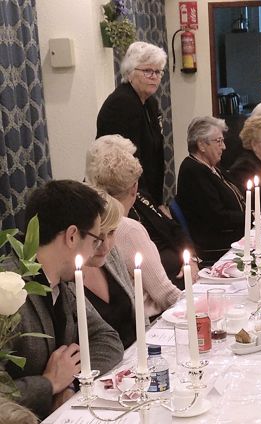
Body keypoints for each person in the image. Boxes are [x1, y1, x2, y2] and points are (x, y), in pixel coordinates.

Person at [7, 180, 123, 419]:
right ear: (72, 236)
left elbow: (108, 339)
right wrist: (48, 384)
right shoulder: (6, 289)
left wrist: (71, 383)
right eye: (94, 241)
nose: (95, 251)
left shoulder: (63, 282)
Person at [86, 135, 186, 315]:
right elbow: (166, 295)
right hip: (151, 320)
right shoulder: (127, 228)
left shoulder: (90, 221)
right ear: (134, 187)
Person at [96, 41, 168, 205]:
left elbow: (155, 155)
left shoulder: (150, 103)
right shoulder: (122, 103)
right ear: (129, 73)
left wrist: (157, 203)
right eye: (147, 71)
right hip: (121, 194)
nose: (154, 76)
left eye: (158, 71)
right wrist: (146, 205)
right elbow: (127, 161)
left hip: (146, 193)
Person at [176, 116, 246, 265]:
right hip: (215, 243)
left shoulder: (212, 167)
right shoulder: (193, 171)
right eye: (218, 141)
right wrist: (250, 217)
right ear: (202, 145)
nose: (224, 147)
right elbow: (217, 217)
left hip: (233, 232)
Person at [81, 191, 145, 348]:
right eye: (97, 236)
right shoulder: (68, 278)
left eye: (111, 232)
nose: (105, 246)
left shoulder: (111, 256)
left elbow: (137, 309)